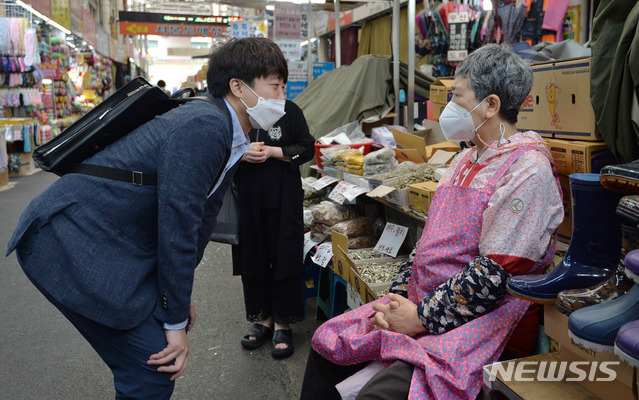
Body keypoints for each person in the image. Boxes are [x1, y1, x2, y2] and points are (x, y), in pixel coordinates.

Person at [6, 37, 288, 399]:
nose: (282, 96)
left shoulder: (228, 130)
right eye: (274, 85)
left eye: (283, 86)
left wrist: (177, 297)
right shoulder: (206, 125)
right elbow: (178, 224)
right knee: (152, 367)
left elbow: (199, 222)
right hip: (67, 238)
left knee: (151, 366)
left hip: (104, 238)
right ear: (238, 86)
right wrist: (174, 322)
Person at [300, 43, 564, 400]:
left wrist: (420, 318)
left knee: (379, 396)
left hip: (481, 321)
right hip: (421, 303)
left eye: (457, 96)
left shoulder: (528, 169)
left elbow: (496, 273)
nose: (448, 106)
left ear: (491, 105)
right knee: (327, 345)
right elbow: (428, 243)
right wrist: (395, 299)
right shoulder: (465, 159)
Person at [233, 99, 315, 359]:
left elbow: (307, 148)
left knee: (285, 256)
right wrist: (242, 153)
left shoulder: (290, 111)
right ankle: (264, 319)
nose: (278, 90)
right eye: (273, 83)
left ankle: (282, 322)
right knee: (254, 257)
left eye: (281, 84)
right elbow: (220, 149)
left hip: (284, 198)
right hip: (248, 199)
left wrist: (272, 151)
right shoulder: (239, 112)